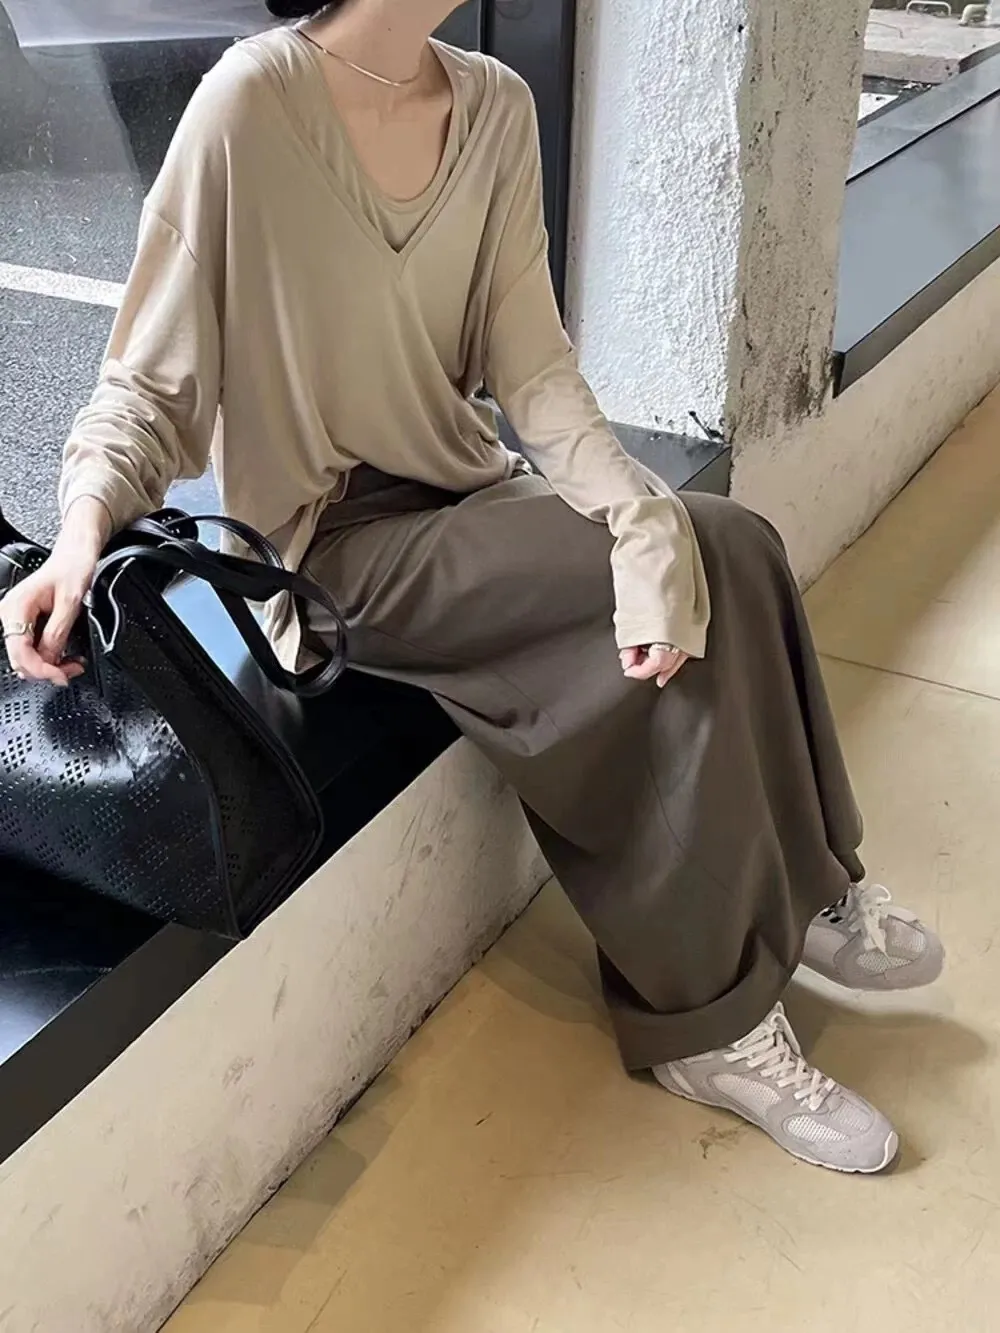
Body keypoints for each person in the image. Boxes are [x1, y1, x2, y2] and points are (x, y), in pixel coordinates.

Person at [0, 0, 944, 1173]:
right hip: (332, 549)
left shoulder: (494, 105)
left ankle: (807, 886)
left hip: (466, 490)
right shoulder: (250, 104)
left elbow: (533, 370)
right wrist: (79, 538)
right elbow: (147, 385)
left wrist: (641, 518)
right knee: (693, 572)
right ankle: (707, 1022)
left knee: (721, 542)